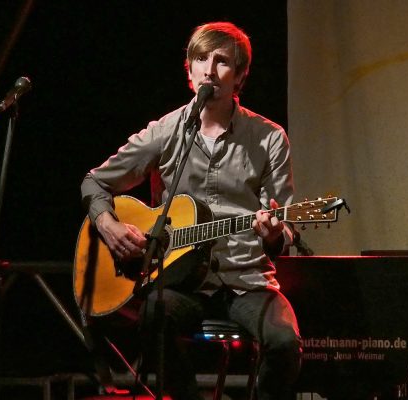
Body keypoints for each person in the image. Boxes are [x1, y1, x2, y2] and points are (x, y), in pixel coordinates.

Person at [80, 21, 301, 400]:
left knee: (284, 343)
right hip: (180, 282)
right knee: (152, 319)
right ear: (189, 69)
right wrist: (108, 225)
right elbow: (94, 182)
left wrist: (275, 234)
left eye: (222, 61)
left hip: (246, 280)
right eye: (201, 59)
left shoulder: (269, 138)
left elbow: (287, 226)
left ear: (240, 76)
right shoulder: (167, 130)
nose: (210, 70)